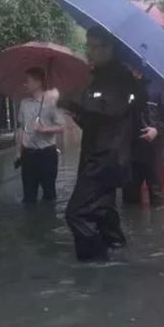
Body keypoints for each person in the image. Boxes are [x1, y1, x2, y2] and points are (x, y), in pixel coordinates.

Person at [60, 27, 144, 261]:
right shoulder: (99, 75)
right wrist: (72, 109)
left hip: (106, 158)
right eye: (88, 46)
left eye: (94, 46)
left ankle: (96, 263)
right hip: (99, 154)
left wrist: (68, 99)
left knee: (76, 214)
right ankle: (116, 248)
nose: (90, 51)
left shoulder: (120, 78)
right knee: (103, 210)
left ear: (109, 48)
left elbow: (109, 109)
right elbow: (95, 120)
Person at [123, 69, 164, 206]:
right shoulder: (127, 84)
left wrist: (157, 130)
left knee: (156, 195)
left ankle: (158, 224)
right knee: (130, 197)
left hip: (155, 151)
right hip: (131, 150)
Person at [16, 67, 65, 204]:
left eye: (28, 81)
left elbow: (62, 127)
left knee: (49, 194)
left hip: (46, 154)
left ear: (38, 83)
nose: (25, 84)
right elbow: (21, 128)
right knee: (28, 197)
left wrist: (44, 129)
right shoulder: (24, 103)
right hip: (28, 154)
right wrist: (18, 153)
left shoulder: (51, 102)